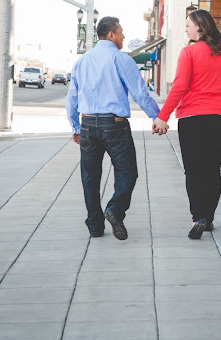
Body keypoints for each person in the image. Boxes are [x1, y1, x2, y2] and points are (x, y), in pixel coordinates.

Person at [66, 16, 160, 240]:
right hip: (114, 125)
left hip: (88, 123)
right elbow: (139, 92)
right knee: (127, 171)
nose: (124, 36)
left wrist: (75, 127)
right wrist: (156, 116)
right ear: (111, 35)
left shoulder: (82, 61)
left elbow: (72, 98)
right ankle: (115, 209)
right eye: (121, 32)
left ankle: (94, 226)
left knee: (90, 176)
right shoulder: (121, 59)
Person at [152, 9, 221, 239]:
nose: (185, 29)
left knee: (194, 170)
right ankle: (208, 218)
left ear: (200, 26)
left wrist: (163, 116)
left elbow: (179, 86)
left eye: (188, 25)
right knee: (212, 169)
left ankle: (198, 217)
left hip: (193, 118)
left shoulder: (189, 52)